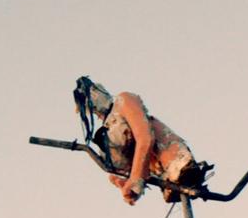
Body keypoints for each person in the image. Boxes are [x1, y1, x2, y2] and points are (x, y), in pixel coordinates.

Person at [72, 77, 206, 205]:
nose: (95, 108)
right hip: (168, 183)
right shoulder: (109, 130)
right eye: (91, 109)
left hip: (178, 165)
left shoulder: (123, 101)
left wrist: (136, 179)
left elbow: (145, 138)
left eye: (92, 97)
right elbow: (133, 169)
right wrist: (124, 183)